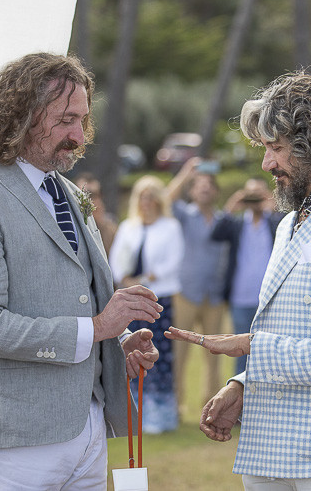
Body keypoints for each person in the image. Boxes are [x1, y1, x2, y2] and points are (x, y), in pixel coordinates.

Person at [166, 69, 311, 491]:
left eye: (275, 148)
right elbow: (286, 331)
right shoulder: (288, 224)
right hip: (269, 449)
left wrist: (252, 348)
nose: (266, 163)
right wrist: (242, 383)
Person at [0, 52, 162, 489]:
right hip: (15, 439)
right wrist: (96, 328)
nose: (78, 136)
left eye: (83, 120)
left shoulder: (71, 193)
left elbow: (73, 301)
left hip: (90, 430)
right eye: (64, 120)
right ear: (20, 116)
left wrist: (118, 343)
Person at [110, 175, 184, 433]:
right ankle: (132, 412)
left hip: (157, 298)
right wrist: (125, 278)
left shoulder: (170, 227)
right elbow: (116, 261)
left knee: (158, 354)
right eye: (142, 197)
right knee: (131, 353)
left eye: (152, 196)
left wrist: (145, 277)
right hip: (131, 299)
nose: (147, 202)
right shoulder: (127, 227)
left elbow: (173, 261)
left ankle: (160, 415)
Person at [166, 158, 229, 411]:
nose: (204, 188)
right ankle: (175, 407)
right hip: (186, 292)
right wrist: (185, 172)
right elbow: (166, 198)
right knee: (179, 355)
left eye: (209, 184)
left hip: (214, 296)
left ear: (215, 191)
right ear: (192, 191)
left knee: (215, 356)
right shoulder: (184, 215)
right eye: (199, 185)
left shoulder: (225, 220)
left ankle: (212, 408)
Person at [211, 177, 283, 374]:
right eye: (250, 195)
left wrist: (273, 207)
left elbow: (291, 230)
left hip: (270, 300)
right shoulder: (236, 223)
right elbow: (216, 234)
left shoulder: (276, 222)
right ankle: (239, 398)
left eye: (258, 195)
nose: (254, 200)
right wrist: (231, 206)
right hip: (240, 297)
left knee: (270, 352)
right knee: (241, 351)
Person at [74, 172, 119, 256]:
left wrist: (100, 225)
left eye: (92, 196)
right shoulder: (68, 226)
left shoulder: (111, 228)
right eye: (82, 195)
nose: (88, 201)